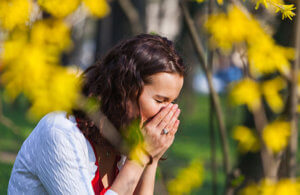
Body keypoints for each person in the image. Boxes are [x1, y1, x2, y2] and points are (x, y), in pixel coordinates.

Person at [8, 34, 186, 195]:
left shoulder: (123, 138)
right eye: (160, 101)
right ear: (125, 91)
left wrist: (151, 160)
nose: (168, 113)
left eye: (172, 102)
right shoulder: (60, 133)